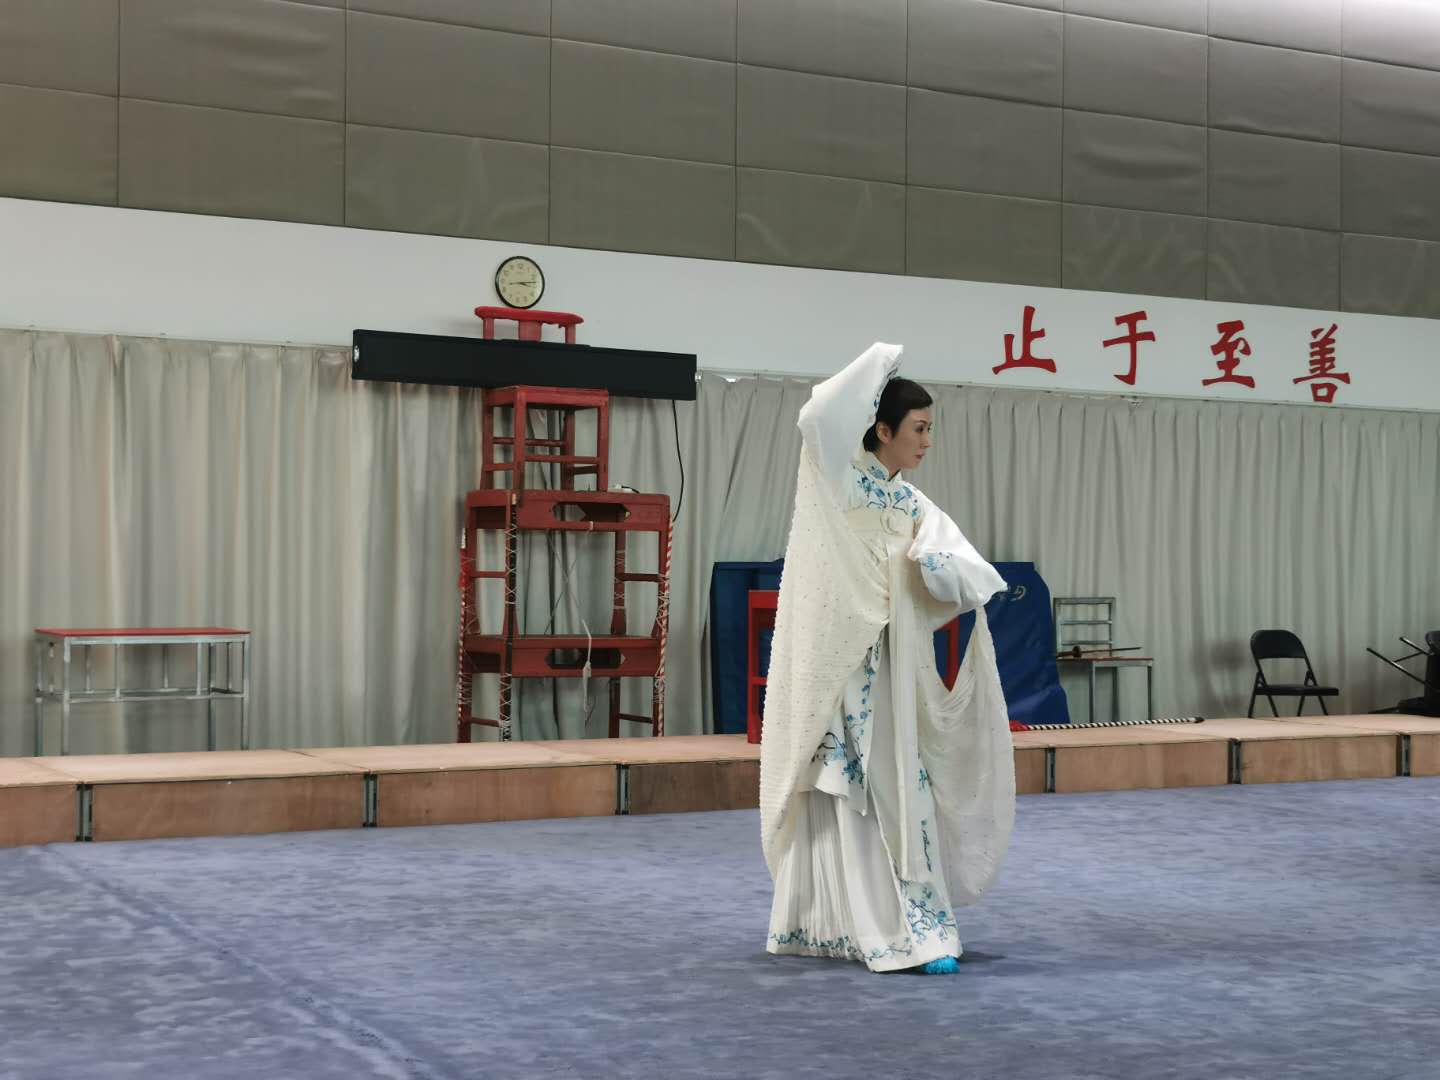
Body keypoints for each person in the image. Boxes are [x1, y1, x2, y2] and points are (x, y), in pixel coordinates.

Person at [759, 342, 1015, 974]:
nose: (927, 441)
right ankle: (877, 931)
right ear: (882, 430)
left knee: (895, 786)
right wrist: (880, 361)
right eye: (918, 428)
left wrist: (935, 564)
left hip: (892, 667)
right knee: (855, 786)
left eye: (929, 429)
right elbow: (817, 415)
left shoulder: (909, 502)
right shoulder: (836, 479)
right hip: (841, 665)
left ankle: (893, 925)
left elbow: (969, 570)